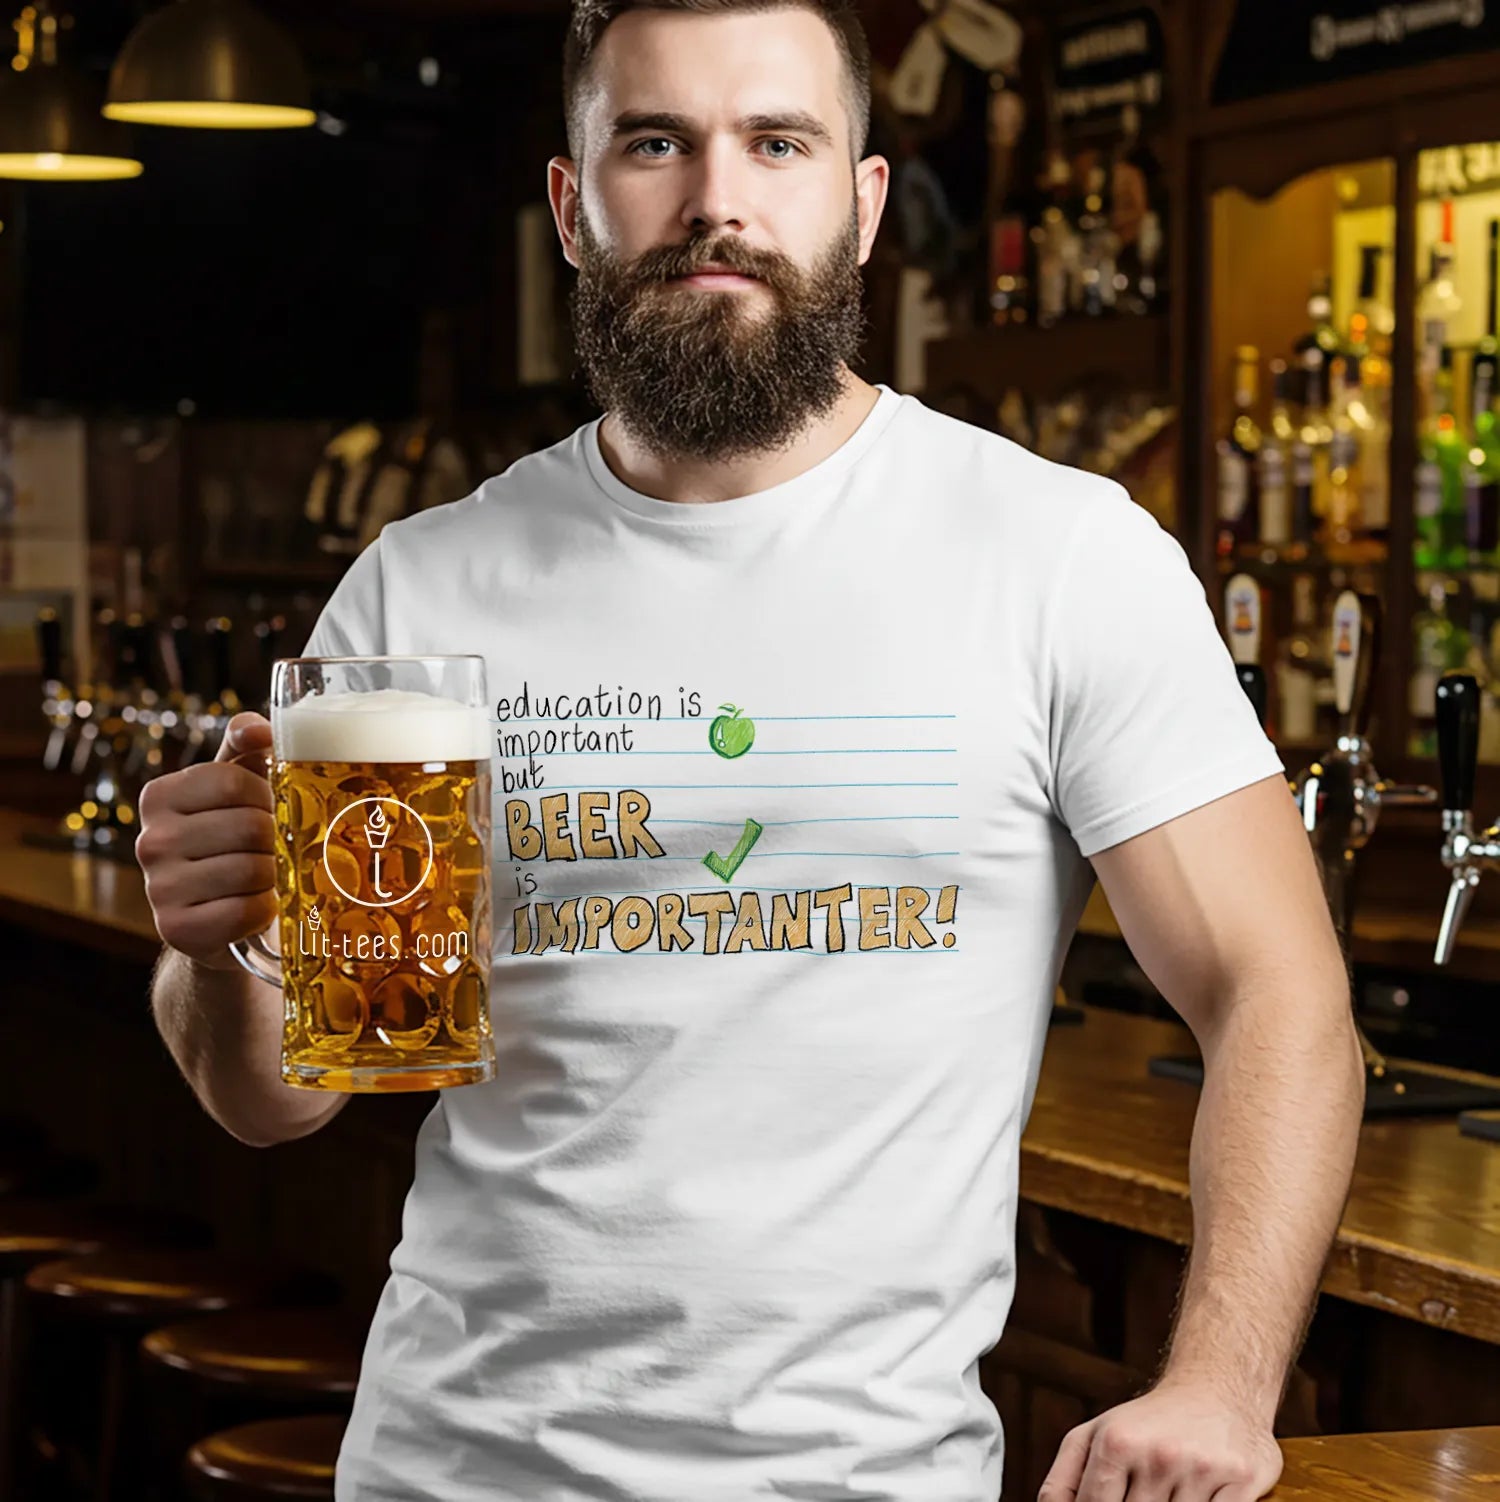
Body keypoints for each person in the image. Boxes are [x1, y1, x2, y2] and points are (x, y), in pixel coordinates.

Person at [135, 0, 1365, 1497]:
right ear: (572, 206)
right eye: (656, 143)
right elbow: (289, 1093)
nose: (718, 199)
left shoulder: (1057, 557)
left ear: (864, 202)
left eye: (778, 142)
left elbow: (1279, 990)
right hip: (457, 1466)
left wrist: (1223, 1385)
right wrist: (224, 950)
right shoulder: (425, 586)